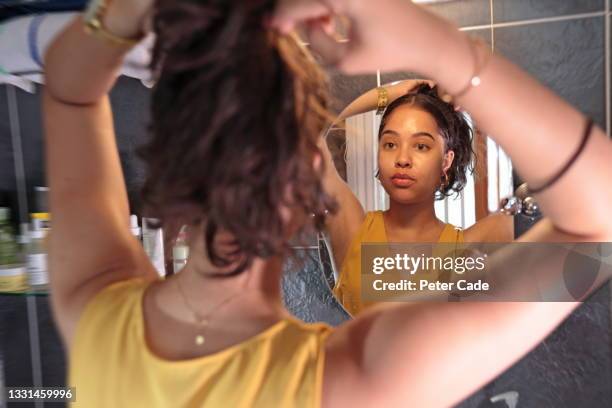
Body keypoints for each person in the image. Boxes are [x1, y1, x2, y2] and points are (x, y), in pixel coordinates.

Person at [43, 0, 611, 407]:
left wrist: (118, 14)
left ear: (169, 160)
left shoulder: (93, 310)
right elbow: (599, 229)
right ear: (315, 173)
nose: (402, 158)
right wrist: (444, 51)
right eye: (388, 143)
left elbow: (68, 91)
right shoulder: (349, 382)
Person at [320, 81, 514, 315]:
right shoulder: (351, 231)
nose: (402, 158)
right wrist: (388, 93)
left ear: (446, 161)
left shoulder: (473, 244)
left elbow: (557, 202)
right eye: (390, 144)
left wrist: (472, 97)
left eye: (421, 146)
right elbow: (305, 137)